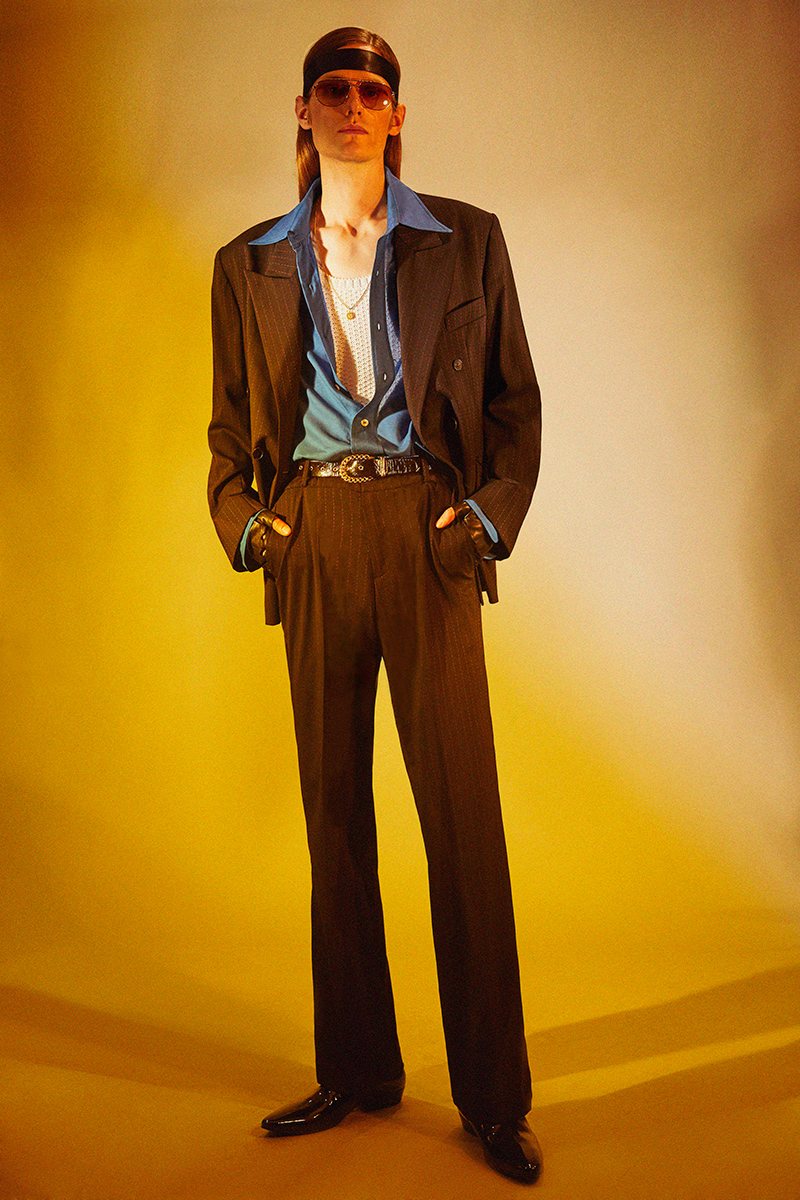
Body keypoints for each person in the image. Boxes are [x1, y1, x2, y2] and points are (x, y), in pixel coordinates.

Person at [207, 26, 542, 1184]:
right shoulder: (245, 262)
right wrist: (249, 527)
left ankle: (492, 1098)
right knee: (334, 819)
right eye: (333, 89)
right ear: (303, 110)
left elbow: (512, 405)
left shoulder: (467, 239)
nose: (352, 103)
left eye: (372, 90)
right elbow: (225, 430)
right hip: (313, 535)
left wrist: (482, 519)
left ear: (396, 114)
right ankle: (356, 1069)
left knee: (461, 820)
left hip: (425, 529)